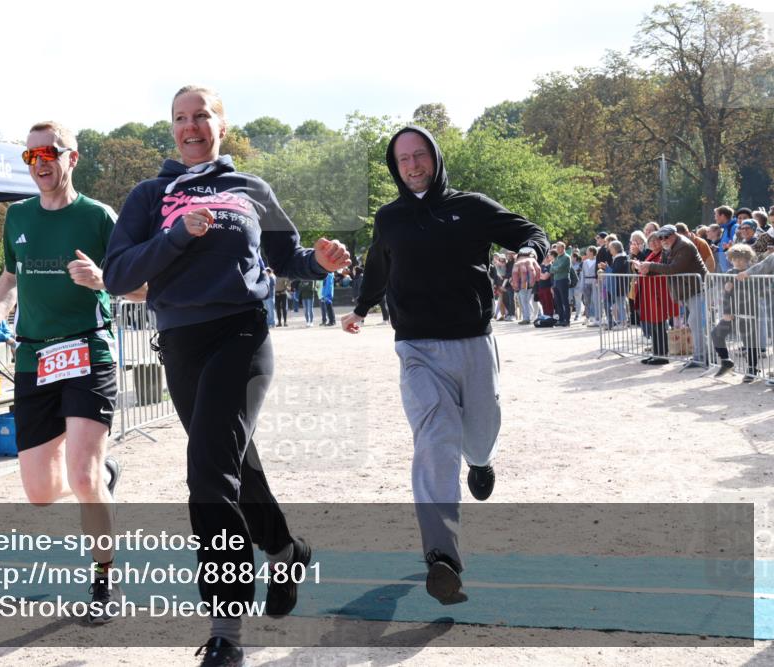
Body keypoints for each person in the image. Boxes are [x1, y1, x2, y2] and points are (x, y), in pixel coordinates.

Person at [101, 85, 350, 667]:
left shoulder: (250, 188)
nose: (191, 126)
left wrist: (319, 263)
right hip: (180, 345)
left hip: (242, 335)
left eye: (201, 116)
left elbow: (287, 258)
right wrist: (176, 234)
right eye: (180, 118)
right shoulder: (150, 194)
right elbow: (117, 274)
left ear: (221, 124)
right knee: (232, 465)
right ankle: (285, 550)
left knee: (209, 474)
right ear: (172, 128)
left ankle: (225, 629)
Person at [340, 125, 548, 607]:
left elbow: (530, 232)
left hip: (473, 343)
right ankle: (442, 557)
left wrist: (526, 253)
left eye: (420, 156)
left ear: (434, 158)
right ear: (395, 167)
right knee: (434, 441)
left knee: (480, 432)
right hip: (416, 349)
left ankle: (481, 461)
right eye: (403, 159)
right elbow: (380, 266)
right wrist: (362, 308)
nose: (412, 166)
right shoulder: (389, 217)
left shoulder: (471, 206)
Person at [0, 120, 126, 624]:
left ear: (72, 157)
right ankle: (104, 476)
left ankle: (104, 579)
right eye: (30, 155)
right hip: (35, 359)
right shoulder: (18, 216)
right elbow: (11, 277)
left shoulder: (99, 217)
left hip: (88, 352)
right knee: (39, 494)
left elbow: (138, 283)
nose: (40, 162)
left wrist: (102, 279)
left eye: (49, 152)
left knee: (81, 476)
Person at [632, 224, 709, 368]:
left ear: (674, 234)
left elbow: (674, 268)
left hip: (697, 288)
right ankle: (703, 356)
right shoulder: (669, 247)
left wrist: (650, 266)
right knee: (694, 323)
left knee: (696, 323)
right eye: (660, 237)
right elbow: (662, 267)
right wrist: (644, 268)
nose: (663, 240)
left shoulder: (684, 246)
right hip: (687, 290)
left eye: (666, 237)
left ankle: (702, 357)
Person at [712, 244, 761, 382]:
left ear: (747, 259)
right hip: (732, 313)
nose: (738, 262)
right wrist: (726, 311)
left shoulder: (753, 272)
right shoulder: (729, 273)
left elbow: (758, 290)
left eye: (741, 259)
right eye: (734, 259)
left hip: (749, 311)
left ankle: (752, 369)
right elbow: (725, 295)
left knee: (749, 341)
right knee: (716, 334)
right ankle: (726, 361)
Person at [632, 232, 679, 365]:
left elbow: (659, 269)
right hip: (650, 292)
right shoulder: (652, 254)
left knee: (659, 324)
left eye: (655, 240)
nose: (653, 243)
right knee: (653, 324)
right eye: (650, 241)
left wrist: (643, 267)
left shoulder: (664, 254)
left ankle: (662, 355)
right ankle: (656, 353)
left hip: (658, 292)